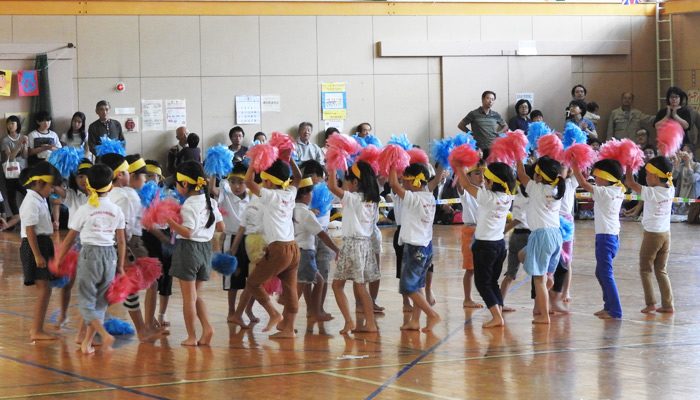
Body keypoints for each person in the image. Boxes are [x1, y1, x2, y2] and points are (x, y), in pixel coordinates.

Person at [55, 163, 126, 354]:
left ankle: (103, 334)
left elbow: (70, 239)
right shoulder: (116, 210)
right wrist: (120, 265)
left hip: (90, 255)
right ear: (110, 186)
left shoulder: (85, 209)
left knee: (86, 302)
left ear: (88, 185)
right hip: (110, 256)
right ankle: (86, 342)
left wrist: (59, 259)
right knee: (101, 302)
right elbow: (121, 241)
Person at [230, 159, 302, 338]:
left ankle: (274, 313)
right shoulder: (290, 193)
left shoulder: (271, 196)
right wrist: (290, 158)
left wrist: (255, 161)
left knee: (253, 283)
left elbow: (248, 182)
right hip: (294, 249)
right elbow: (298, 177)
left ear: (268, 181)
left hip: (279, 249)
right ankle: (288, 329)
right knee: (290, 288)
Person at [167, 161, 224, 346]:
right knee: (195, 296)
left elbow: (188, 232)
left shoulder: (189, 205)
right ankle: (207, 328)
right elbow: (221, 226)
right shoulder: (211, 202)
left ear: (184, 184)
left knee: (188, 300)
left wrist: (170, 221)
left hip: (189, 250)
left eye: (177, 183)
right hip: (205, 250)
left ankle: (191, 337)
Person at [457, 160, 514, 328]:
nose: (484, 180)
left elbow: (467, 185)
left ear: (491, 182)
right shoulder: (507, 196)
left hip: (485, 246)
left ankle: (497, 316)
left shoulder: (487, 197)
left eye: (486, 178)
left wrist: (459, 164)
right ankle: (499, 311)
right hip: (499, 245)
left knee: (482, 284)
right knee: (493, 282)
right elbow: (468, 186)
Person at [328, 161, 380, 334]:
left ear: (355, 182)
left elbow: (332, 186)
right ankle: (350, 322)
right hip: (364, 244)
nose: (344, 184)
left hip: (354, 244)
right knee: (340, 285)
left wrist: (332, 165)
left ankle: (369, 323)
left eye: (346, 180)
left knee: (357, 287)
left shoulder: (354, 198)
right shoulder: (371, 199)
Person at [388, 163, 441, 332]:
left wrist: (392, 165)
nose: (403, 183)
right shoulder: (429, 197)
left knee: (408, 287)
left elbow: (394, 186)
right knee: (418, 286)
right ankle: (415, 321)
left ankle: (432, 315)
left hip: (415, 248)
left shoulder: (414, 197)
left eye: (405, 180)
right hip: (426, 247)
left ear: (414, 182)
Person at [573, 159, 625, 319]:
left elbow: (582, 182)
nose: (595, 179)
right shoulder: (618, 190)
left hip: (605, 238)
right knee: (600, 272)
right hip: (612, 236)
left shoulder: (605, 192)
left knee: (605, 273)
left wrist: (575, 164)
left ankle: (615, 310)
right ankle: (608, 306)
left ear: (606, 178)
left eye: (597, 176)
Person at [517, 157, 565, 325]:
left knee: (539, 279)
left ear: (539, 175)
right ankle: (546, 288)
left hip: (542, 235)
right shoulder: (556, 188)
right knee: (522, 255)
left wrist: (518, 154)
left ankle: (544, 315)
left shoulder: (536, 189)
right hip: (556, 235)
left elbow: (521, 173)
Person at [18, 161, 63, 341]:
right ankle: (36, 330)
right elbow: (29, 230)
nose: (52, 190)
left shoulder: (39, 198)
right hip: (34, 246)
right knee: (43, 290)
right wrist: (37, 255)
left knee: (46, 290)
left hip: (42, 243)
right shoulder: (30, 202)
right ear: (39, 183)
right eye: (51, 186)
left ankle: (38, 328)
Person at [625, 156, 675, 314]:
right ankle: (668, 304)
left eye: (647, 174)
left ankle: (651, 303)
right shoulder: (670, 187)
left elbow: (631, 183)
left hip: (653, 235)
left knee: (645, 269)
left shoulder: (652, 192)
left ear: (655, 176)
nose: (645, 177)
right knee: (661, 269)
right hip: (666, 234)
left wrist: (628, 167)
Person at [293, 177, 340, 332]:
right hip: (305, 253)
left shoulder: (292, 210)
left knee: (316, 282)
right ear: (306, 195)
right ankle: (287, 320)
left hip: (296, 252)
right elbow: (323, 235)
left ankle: (314, 312)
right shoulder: (306, 214)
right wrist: (336, 249)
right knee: (299, 290)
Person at [208, 163, 253, 323]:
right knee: (233, 278)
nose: (236, 186)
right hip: (230, 238)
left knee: (253, 278)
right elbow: (212, 189)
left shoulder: (252, 196)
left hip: (250, 239)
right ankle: (232, 311)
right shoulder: (225, 194)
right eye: (233, 181)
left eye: (240, 182)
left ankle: (248, 309)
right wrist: (214, 170)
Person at [500, 165, 533, 312]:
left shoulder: (522, 193)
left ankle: (500, 303)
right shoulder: (524, 195)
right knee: (538, 273)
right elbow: (518, 219)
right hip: (525, 236)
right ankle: (542, 302)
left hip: (516, 237)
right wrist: (502, 231)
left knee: (510, 273)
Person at [455, 160, 485, 308]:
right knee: (470, 268)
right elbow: (460, 186)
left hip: (484, 231)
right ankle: (467, 298)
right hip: (470, 232)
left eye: (484, 173)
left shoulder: (486, 191)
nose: (482, 177)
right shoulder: (466, 191)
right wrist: (460, 166)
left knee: (483, 267)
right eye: (477, 173)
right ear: (468, 176)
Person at [2, 115, 28, 216]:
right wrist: (19, 144)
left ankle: (26, 215)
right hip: (10, 172)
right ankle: (16, 218)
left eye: (12, 123)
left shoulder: (23, 137)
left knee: (28, 193)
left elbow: (25, 155)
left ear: (18, 125)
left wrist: (25, 144)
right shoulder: (5, 140)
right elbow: (11, 157)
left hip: (23, 172)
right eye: (8, 123)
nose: (10, 125)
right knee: (11, 197)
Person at [671, 145, 700, 215]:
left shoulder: (697, 166)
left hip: (693, 201)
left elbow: (693, 179)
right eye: (684, 151)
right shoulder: (681, 166)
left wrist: (688, 164)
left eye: (688, 152)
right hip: (680, 201)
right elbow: (673, 177)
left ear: (693, 154)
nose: (685, 154)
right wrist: (677, 162)